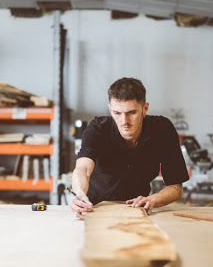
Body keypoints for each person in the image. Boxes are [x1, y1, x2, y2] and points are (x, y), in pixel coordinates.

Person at [70, 77, 189, 219]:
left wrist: (153, 199)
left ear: (145, 109)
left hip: (138, 209)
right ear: (110, 109)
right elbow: (83, 168)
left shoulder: (162, 129)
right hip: (95, 208)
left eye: (131, 113)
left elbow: (176, 187)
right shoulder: (98, 129)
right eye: (117, 113)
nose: (124, 121)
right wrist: (79, 194)